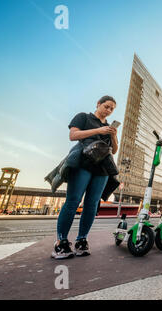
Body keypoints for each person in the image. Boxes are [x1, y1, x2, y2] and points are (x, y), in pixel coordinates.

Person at [51, 96, 119, 259]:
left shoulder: (108, 127)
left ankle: (82, 240)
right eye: (106, 106)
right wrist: (98, 131)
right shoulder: (83, 117)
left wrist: (114, 135)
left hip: (102, 168)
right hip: (82, 163)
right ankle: (61, 242)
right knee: (73, 201)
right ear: (98, 104)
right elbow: (73, 135)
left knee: (92, 205)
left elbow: (114, 150)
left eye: (112, 109)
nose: (108, 110)